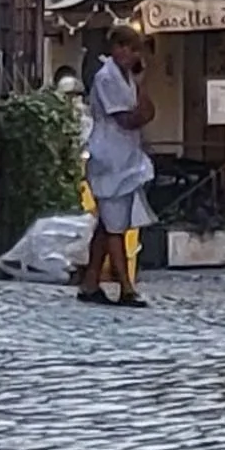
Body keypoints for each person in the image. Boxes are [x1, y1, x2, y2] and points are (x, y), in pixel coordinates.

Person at [77, 25, 155, 307]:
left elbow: (144, 111)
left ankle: (90, 283)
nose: (134, 55)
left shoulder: (127, 78)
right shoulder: (107, 78)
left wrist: (142, 88)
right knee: (115, 228)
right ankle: (126, 287)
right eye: (130, 49)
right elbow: (128, 118)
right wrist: (143, 112)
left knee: (108, 225)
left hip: (124, 157)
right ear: (118, 48)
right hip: (110, 159)